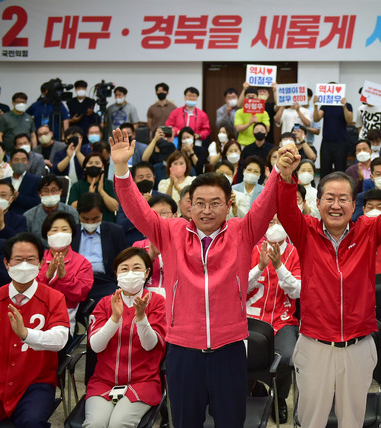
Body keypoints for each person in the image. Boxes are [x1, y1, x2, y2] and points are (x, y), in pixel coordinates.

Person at [110, 126, 279, 428]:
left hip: (229, 349)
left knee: (231, 421)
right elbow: (137, 211)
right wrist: (122, 169)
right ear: (188, 205)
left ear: (230, 205)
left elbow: (266, 204)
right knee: (186, 421)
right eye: (199, 203)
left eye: (215, 203)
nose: (206, 210)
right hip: (183, 350)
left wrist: (278, 171)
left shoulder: (242, 231)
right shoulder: (171, 232)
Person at [275, 142, 381, 427]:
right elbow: (285, 207)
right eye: (329, 198)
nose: (336, 205)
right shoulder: (306, 231)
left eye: (343, 199)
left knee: (352, 420)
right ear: (318, 203)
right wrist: (287, 176)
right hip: (315, 344)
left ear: (355, 205)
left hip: (358, 345)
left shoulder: (367, 231)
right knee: (311, 419)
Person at [0, 232, 69, 428]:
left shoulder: (54, 298)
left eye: (30, 260)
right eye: (18, 260)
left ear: (40, 263)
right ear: (6, 263)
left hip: (35, 385)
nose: (24, 265)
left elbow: (60, 339)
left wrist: (25, 334)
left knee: (32, 422)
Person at [84, 247, 166, 428]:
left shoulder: (157, 302)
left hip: (142, 383)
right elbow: (95, 346)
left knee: (119, 424)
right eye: (124, 268)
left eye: (137, 268)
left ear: (146, 273)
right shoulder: (104, 303)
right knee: (95, 424)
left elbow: (150, 345)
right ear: (116, 274)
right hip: (103, 382)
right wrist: (114, 319)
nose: (130, 273)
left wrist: (141, 317)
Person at [247, 217, 301, 423]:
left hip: (283, 320)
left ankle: (279, 398)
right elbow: (239, 287)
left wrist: (279, 266)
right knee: (241, 354)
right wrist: (260, 266)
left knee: (287, 357)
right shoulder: (251, 249)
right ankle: (252, 390)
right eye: (270, 222)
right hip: (251, 318)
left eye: (280, 221)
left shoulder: (295, 252)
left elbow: (297, 291)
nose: (275, 226)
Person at [37, 211, 93, 333]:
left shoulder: (83, 263)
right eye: (54, 230)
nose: (59, 234)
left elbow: (79, 295)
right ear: (46, 234)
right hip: (34, 315)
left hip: (63, 321)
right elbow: (28, 290)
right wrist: (47, 276)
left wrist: (64, 277)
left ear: (72, 234)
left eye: (64, 230)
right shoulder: (36, 259)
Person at [72, 192, 127, 302]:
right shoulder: (72, 232)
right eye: (85, 219)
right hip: (76, 280)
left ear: (102, 214)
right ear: (78, 215)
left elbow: (123, 259)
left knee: (112, 299)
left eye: (95, 218)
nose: (90, 222)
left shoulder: (115, 231)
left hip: (104, 280)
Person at [25, 175, 79, 246]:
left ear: (60, 192)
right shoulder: (28, 216)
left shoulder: (71, 212)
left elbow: (75, 238)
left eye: (54, 190)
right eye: (46, 191)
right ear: (39, 194)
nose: (50, 194)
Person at [116, 162, 160, 245]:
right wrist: (139, 207)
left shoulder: (162, 198)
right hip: (133, 243)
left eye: (148, 176)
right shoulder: (126, 200)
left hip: (157, 242)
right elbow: (121, 226)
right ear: (133, 180)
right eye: (141, 177)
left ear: (154, 178)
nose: (145, 179)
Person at [69, 153, 119, 223]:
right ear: (85, 167)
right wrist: (89, 195)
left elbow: (114, 208)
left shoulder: (109, 184)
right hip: (83, 224)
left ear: (103, 167)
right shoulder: (77, 186)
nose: (93, 165)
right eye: (90, 163)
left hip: (106, 224)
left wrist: (101, 191)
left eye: (97, 163)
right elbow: (72, 208)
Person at [313, 90, 353, 177]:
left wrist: (344, 106)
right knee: (324, 170)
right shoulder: (325, 106)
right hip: (326, 143)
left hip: (341, 143)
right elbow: (316, 119)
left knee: (340, 170)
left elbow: (349, 121)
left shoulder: (347, 105)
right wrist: (315, 105)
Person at [5, 148, 40, 216]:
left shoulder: (36, 180)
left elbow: (37, 202)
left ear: (28, 163)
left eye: (23, 160)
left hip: (27, 216)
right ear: (10, 163)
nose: (20, 162)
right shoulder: (5, 181)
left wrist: (18, 197)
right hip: (6, 217)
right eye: (16, 160)